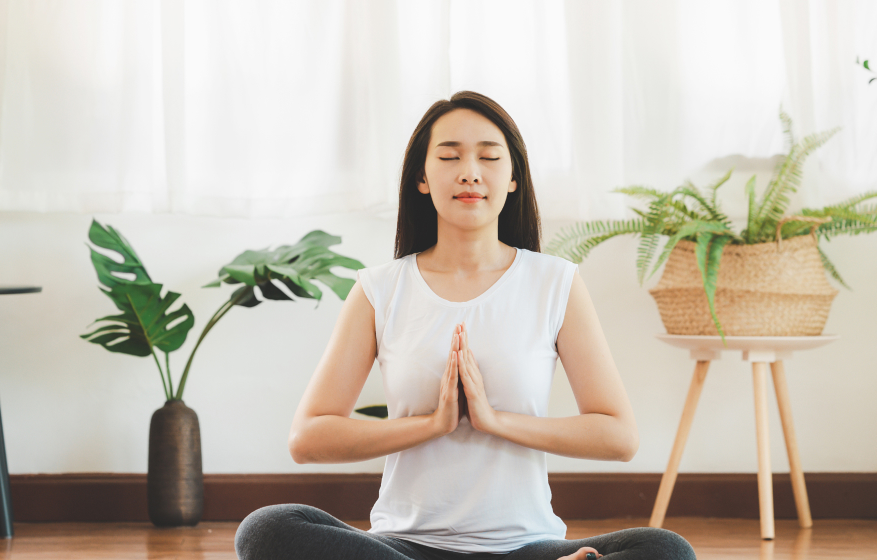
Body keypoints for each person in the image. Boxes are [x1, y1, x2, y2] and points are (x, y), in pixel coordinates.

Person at [236, 91, 696, 560]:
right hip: (406, 547)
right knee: (268, 528)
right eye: (450, 156)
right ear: (421, 177)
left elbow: (618, 437)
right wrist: (432, 424)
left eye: (490, 157)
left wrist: (494, 421)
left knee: (664, 550)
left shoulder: (555, 282)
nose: (470, 171)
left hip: (525, 547)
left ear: (513, 177)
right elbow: (309, 438)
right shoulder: (380, 290)